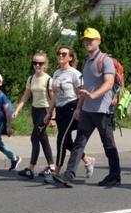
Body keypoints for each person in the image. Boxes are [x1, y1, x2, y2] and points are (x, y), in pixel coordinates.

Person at [53, 28, 122, 188]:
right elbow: (85, 87)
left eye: (91, 40)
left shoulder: (105, 60)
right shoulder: (87, 61)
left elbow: (109, 83)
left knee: (108, 144)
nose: (88, 42)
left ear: (99, 41)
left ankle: (114, 176)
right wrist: (79, 107)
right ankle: (69, 176)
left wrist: (94, 95)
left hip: (103, 111)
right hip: (87, 110)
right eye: (85, 40)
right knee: (78, 143)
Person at [42, 46, 96, 184]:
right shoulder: (56, 73)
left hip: (72, 107)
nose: (60, 56)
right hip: (60, 109)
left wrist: (79, 108)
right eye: (58, 53)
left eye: (64, 54)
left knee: (61, 139)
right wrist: (50, 112)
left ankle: (57, 172)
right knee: (66, 141)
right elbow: (55, 95)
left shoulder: (75, 74)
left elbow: (81, 93)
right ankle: (87, 160)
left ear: (70, 57)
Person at [12, 51, 55, 179]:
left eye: (40, 63)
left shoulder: (49, 80)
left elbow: (53, 100)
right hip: (35, 111)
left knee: (34, 137)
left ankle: (30, 169)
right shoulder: (31, 79)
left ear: (45, 65)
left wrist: (53, 117)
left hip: (45, 111)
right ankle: (51, 166)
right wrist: (17, 110)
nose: (37, 65)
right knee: (43, 138)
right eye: (35, 63)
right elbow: (25, 97)